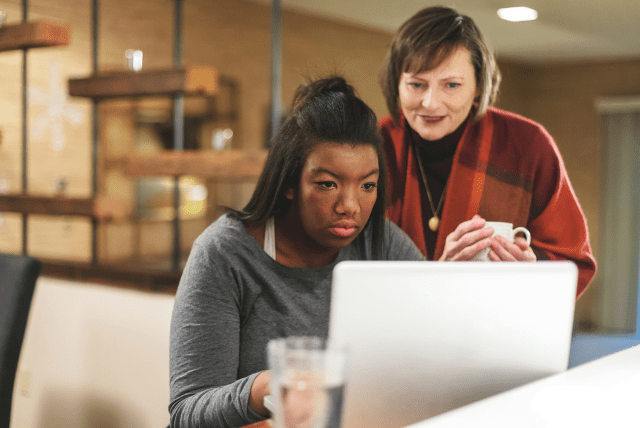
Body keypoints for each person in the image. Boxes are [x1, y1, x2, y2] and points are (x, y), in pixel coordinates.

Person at [169, 76, 425, 428]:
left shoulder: (381, 243)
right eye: (327, 184)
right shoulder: (225, 254)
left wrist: (453, 272)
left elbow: (438, 346)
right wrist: (273, 383)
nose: (350, 206)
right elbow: (187, 413)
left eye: (368, 185)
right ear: (291, 183)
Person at [379, 6, 596, 296]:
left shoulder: (527, 145)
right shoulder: (373, 145)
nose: (430, 103)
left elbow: (573, 261)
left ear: (479, 87)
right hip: (389, 331)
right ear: (397, 83)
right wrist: (437, 275)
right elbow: (337, 258)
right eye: (417, 84)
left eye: (451, 85)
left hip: (498, 329)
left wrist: (535, 271)